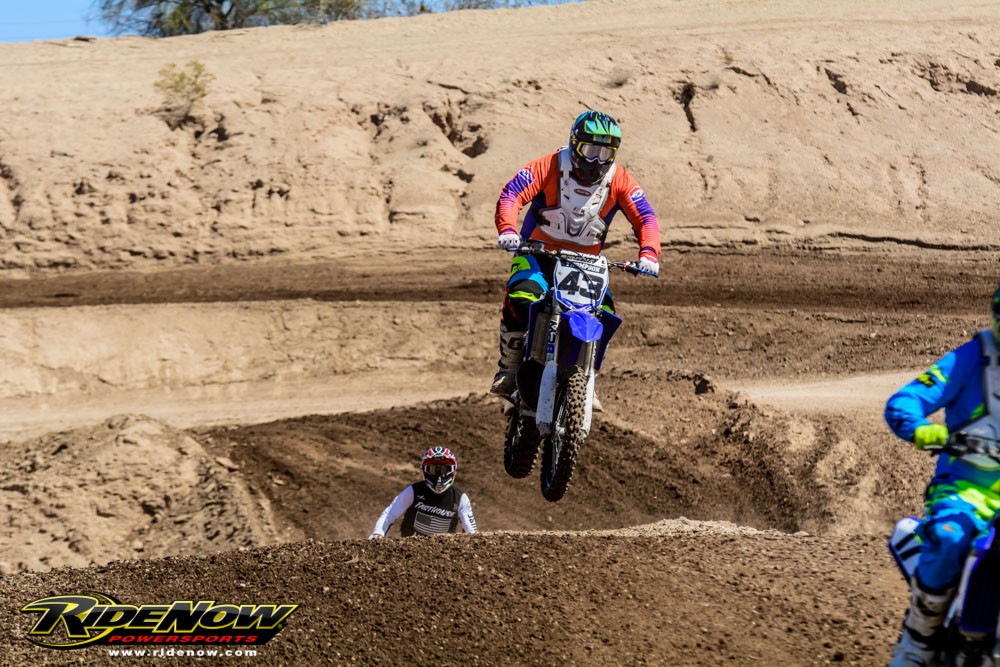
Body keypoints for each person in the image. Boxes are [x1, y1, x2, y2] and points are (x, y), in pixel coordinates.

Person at [489, 110, 661, 401]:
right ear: (575, 144)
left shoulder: (620, 179)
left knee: (604, 312)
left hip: (586, 265)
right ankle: (509, 366)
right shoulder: (550, 165)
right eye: (590, 151)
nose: (596, 161)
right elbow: (512, 193)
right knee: (522, 293)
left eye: (605, 153)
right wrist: (507, 229)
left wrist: (649, 253)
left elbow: (645, 217)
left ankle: (586, 376)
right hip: (538, 253)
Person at [884, 281, 1000, 666]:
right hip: (965, 489)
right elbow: (904, 401)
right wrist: (925, 431)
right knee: (950, 537)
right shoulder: (971, 358)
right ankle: (917, 641)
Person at [369, 446, 477, 538]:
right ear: (425, 471)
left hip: (444, 551)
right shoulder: (414, 491)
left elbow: (471, 532)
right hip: (408, 548)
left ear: (452, 471)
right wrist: (377, 534)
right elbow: (390, 513)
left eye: (444, 470)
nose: (439, 476)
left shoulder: (460, 498)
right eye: (433, 470)